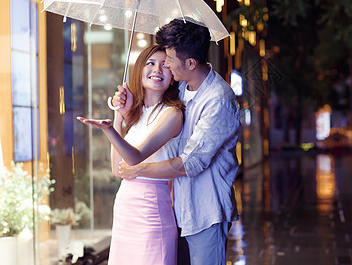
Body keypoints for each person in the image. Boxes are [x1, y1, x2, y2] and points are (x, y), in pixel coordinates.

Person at [115, 18, 241, 265]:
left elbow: (189, 163)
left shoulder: (217, 100)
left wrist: (138, 169)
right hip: (180, 209)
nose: (166, 66)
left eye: (169, 60)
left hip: (206, 210)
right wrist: (124, 110)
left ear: (191, 63)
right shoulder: (183, 88)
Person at [78, 45, 184, 265]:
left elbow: (135, 158)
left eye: (165, 65)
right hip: (126, 208)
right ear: (139, 70)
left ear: (173, 77)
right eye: (151, 63)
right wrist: (119, 117)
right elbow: (118, 169)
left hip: (152, 212)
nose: (157, 69)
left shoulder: (172, 114)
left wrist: (108, 130)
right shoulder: (136, 116)